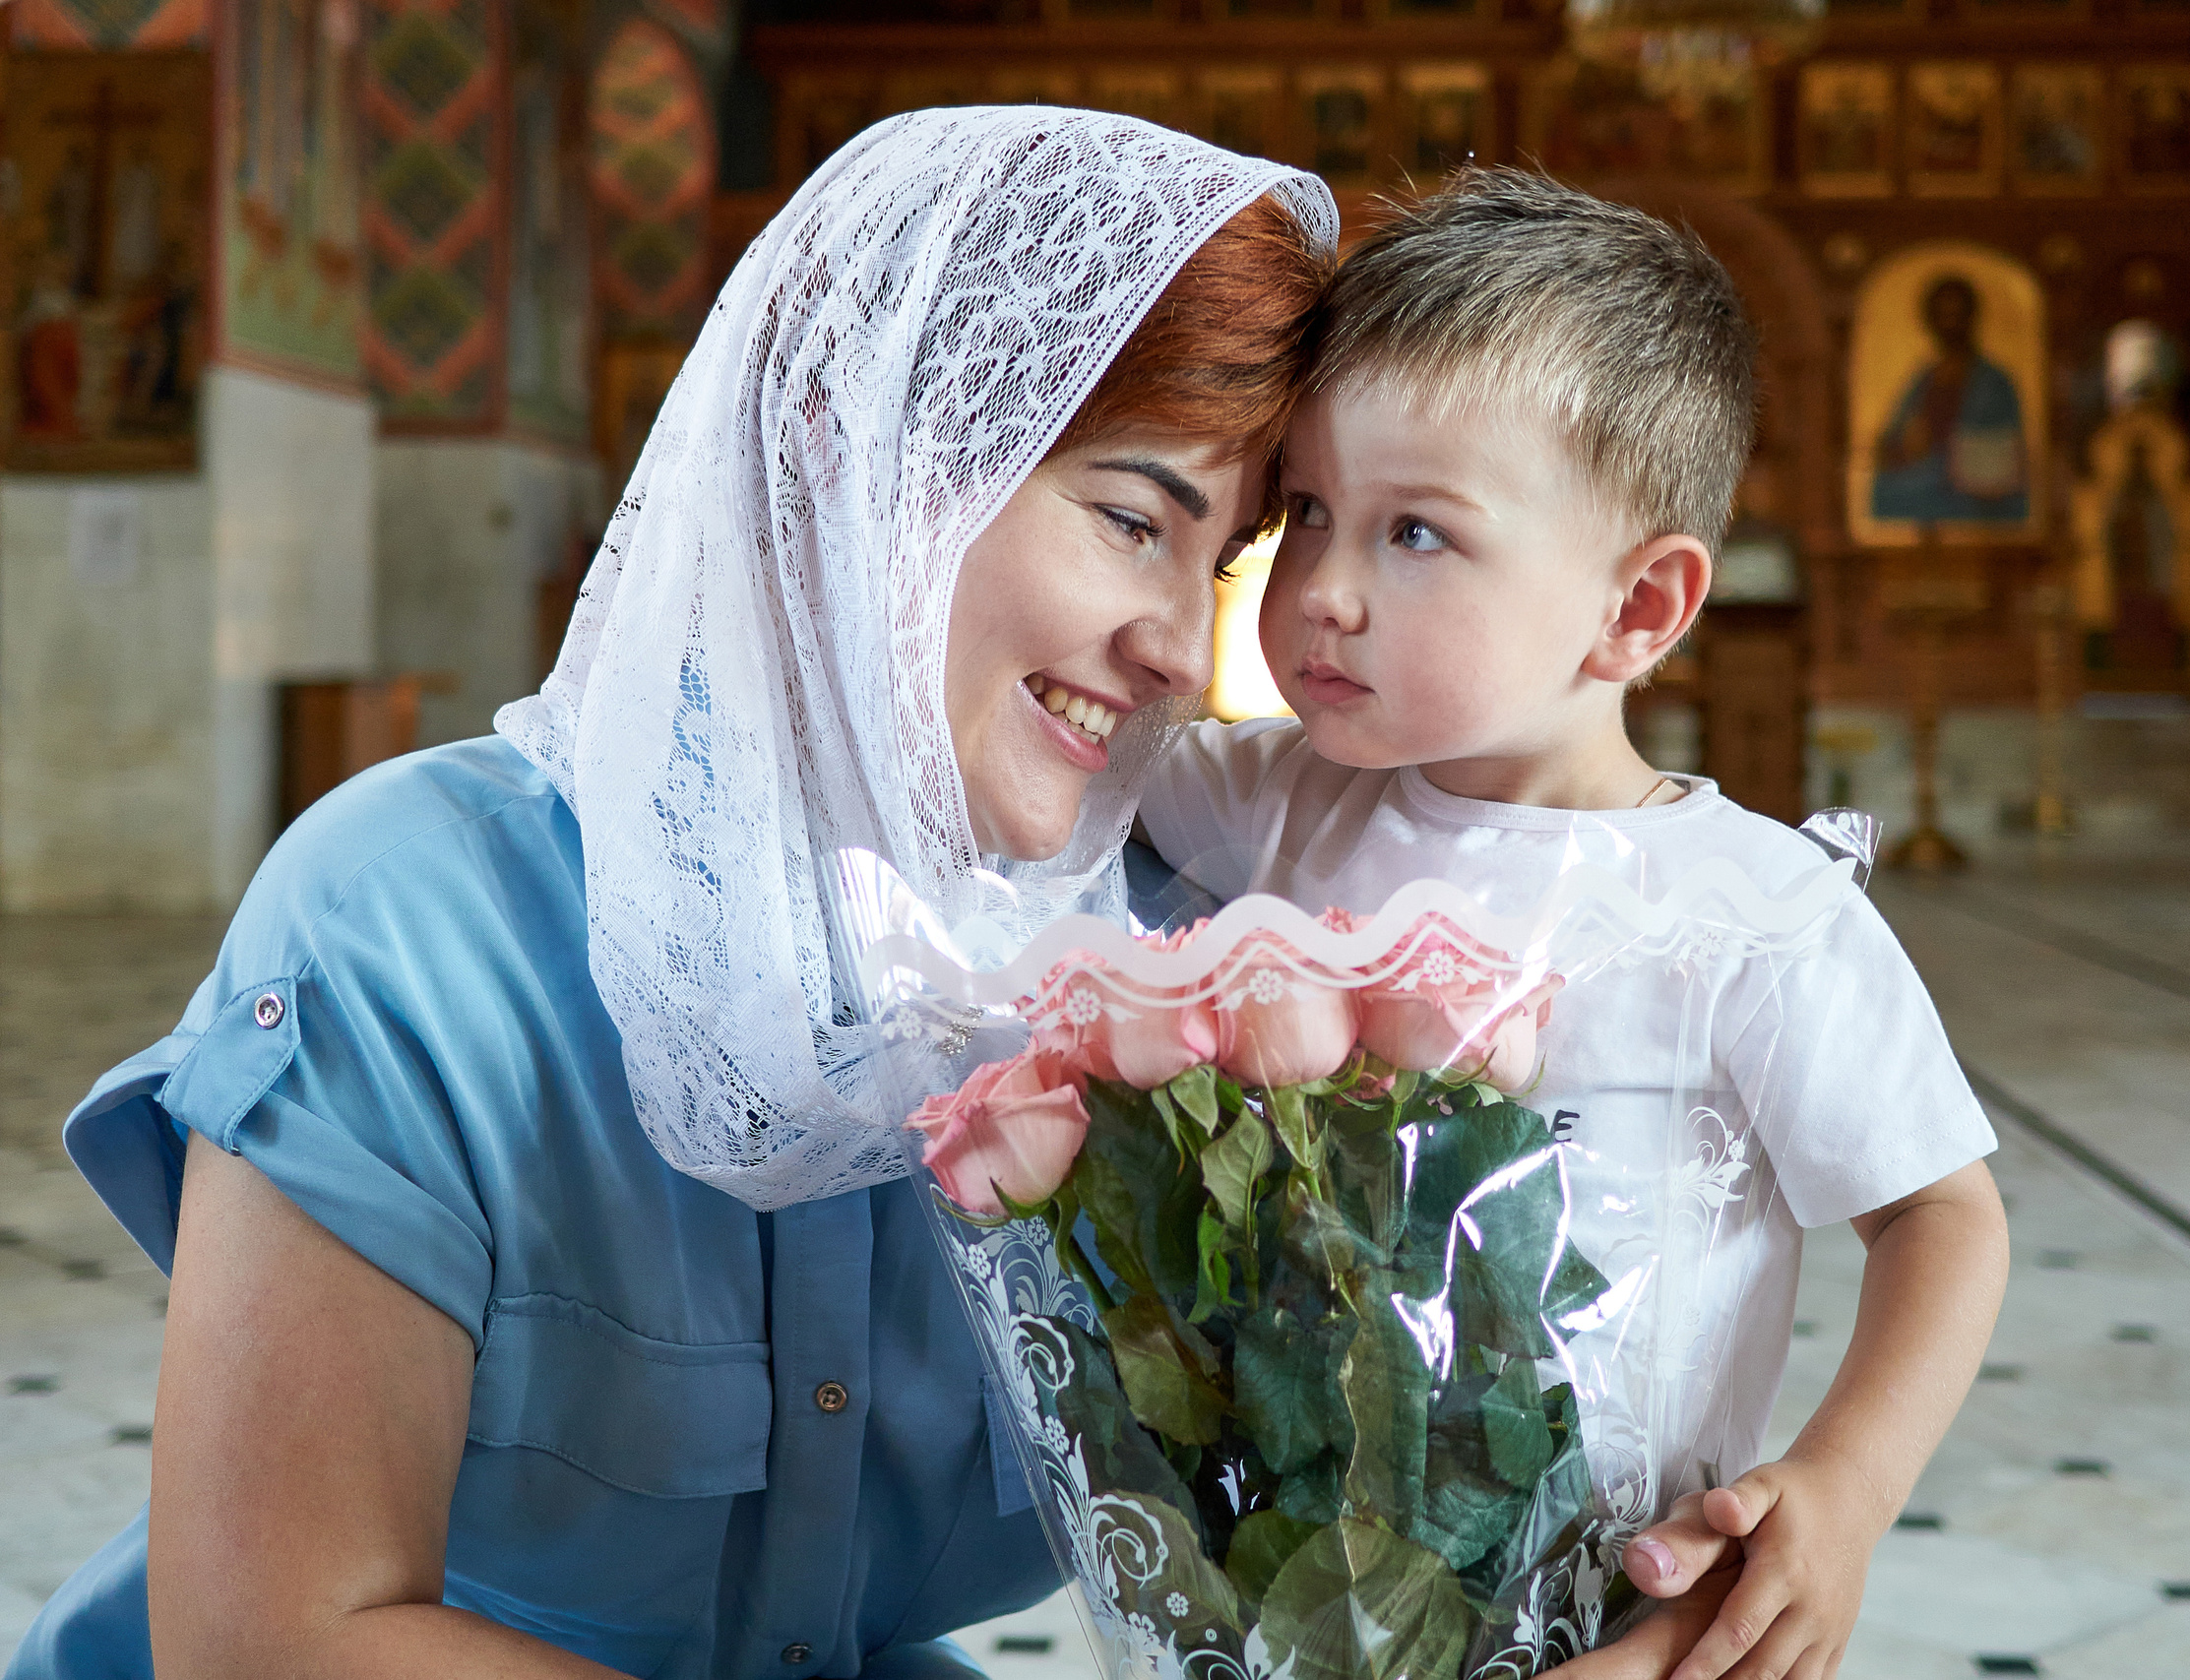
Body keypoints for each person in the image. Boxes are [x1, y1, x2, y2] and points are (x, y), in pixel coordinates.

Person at [10, 108, 1337, 1680]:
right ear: (848, 452)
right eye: (1132, 521)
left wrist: (1681, 1517)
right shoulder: (413, 923)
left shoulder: (1159, 974)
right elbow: (267, 1642)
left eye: (1223, 560)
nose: (1185, 649)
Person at [1130, 170, 2012, 1680]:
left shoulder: (1749, 910)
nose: (1322, 591)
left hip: (1613, 1602)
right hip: (1298, 1569)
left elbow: (1942, 1215)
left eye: (1418, 533)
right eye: (1310, 514)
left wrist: (1846, 1487)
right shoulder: (1276, 797)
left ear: (1639, 608)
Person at [1869, 275, 2030, 525]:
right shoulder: (1924, 379)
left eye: (1957, 315)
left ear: (1970, 318)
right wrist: (1903, 447)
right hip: (1928, 476)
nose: (1950, 325)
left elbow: (2007, 450)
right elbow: (1894, 438)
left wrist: (1956, 458)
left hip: (1977, 487)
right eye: (1943, 316)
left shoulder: (1994, 381)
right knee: (1885, 492)